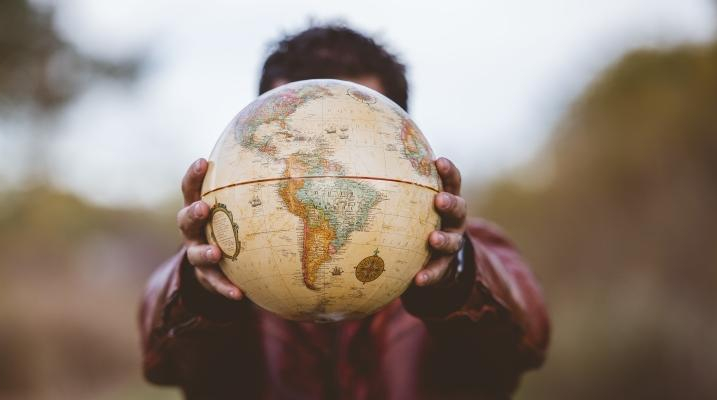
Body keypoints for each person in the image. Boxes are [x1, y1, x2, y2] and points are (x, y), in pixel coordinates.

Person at [139, 24, 550, 400]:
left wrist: (456, 278)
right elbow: (162, 362)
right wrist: (198, 290)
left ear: (405, 140)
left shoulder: (461, 251)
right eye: (297, 139)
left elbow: (525, 344)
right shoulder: (222, 255)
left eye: (354, 137)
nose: (327, 173)